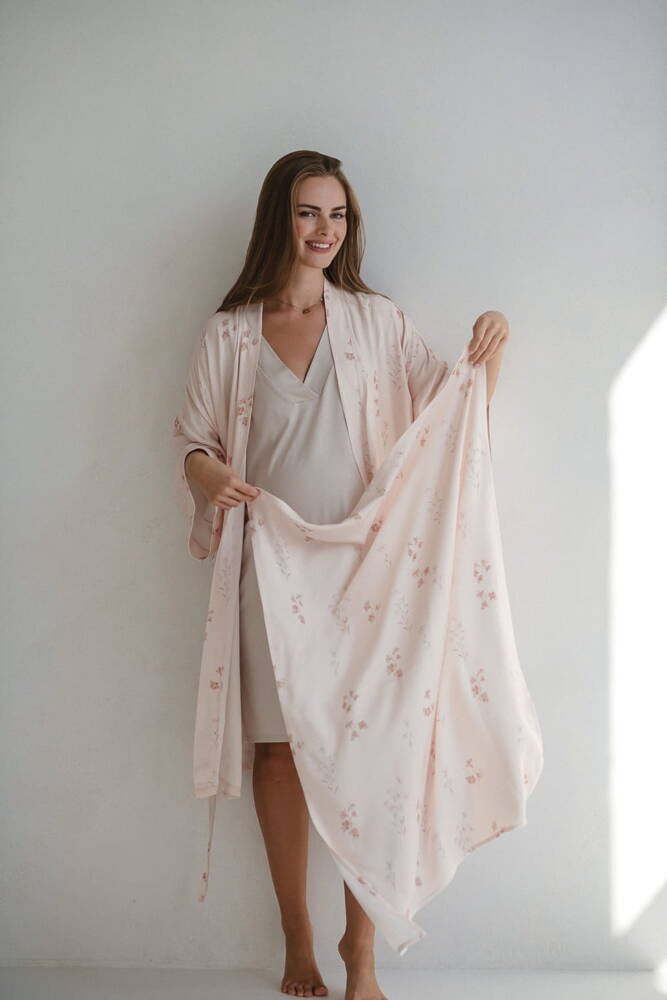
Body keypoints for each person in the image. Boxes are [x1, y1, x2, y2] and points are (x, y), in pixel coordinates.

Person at [182, 149, 509, 1000]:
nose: (324, 229)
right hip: (271, 569)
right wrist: (206, 474)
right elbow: (194, 439)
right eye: (307, 212)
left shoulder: (376, 321)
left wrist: (491, 346)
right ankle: (297, 940)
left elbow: (453, 409)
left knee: (375, 754)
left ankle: (360, 951)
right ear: (278, 219)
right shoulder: (229, 332)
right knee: (279, 755)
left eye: (337, 214)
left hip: (368, 573)